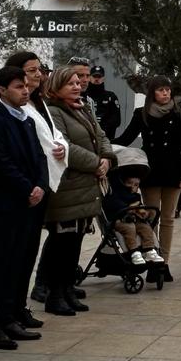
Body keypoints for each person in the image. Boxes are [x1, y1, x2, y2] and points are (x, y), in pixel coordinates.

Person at [0, 66, 49, 349]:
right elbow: (1, 161)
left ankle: (11, 317)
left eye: (26, 86)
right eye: (19, 86)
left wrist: (41, 185)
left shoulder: (27, 119)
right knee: (0, 265)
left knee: (19, 263)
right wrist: (26, 187)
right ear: (2, 90)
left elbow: (40, 156)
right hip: (7, 204)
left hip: (29, 203)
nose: (25, 90)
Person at [42, 65, 113, 315]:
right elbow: (65, 146)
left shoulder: (82, 108)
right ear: (56, 88)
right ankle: (55, 294)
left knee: (74, 244)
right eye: (70, 83)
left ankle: (68, 289)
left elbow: (101, 136)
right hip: (67, 189)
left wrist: (106, 158)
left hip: (86, 188)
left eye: (78, 82)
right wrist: (96, 163)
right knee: (62, 244)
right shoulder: (52, 112)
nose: (77, 86)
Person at [3, 50, 66, 311]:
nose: (38, 75)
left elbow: (54, 136)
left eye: (39, 69)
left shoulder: (40, 104)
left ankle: (19, 308)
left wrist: (62, 146)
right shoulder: (5, 111)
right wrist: (32, 185)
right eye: (31, 70)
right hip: (23, 189)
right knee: (13, 256)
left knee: (29, 252)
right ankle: (8, 311)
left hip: (43, 182)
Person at [116, 77, 181, 260]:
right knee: (151, 216)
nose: (165, 93)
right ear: (152, 93)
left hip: (174, 171)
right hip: (151, 172)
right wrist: (105, 147)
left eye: (167, 89)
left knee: (168, 218)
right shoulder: (141, 113)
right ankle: (152, 254)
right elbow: (126, 138)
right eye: (160, 90)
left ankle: (163, 261)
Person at [86, 64, 122, 140]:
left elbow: (116, 120)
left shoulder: (110, 97)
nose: (97, 79)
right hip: (86, 136)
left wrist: (102, 130)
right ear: (89, 77)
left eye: (99, 77)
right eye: (94, 76)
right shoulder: (84, 96)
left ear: (103, 78)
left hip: (105, 137)